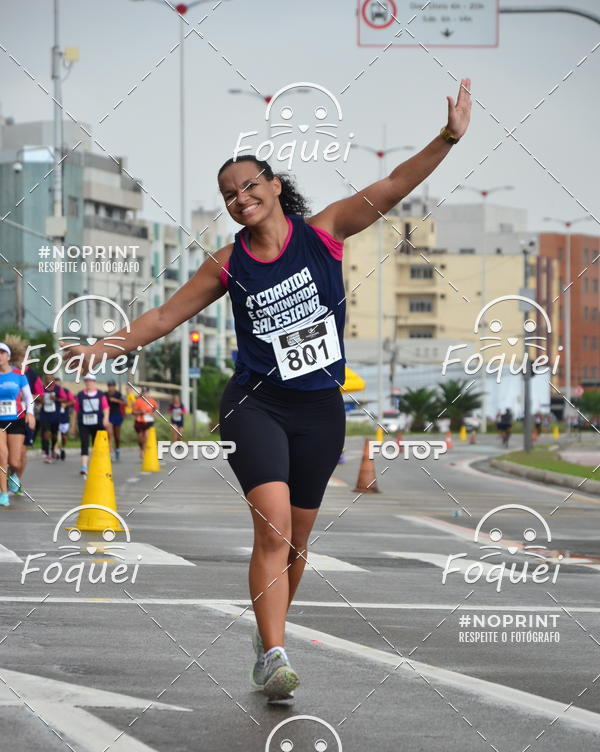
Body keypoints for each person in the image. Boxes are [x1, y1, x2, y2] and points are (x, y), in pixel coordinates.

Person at [62, 79, 472, 700]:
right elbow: (163, 318)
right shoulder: (227, 264)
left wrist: (446, 138)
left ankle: (267, 629)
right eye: (229, 194)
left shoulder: (326, 232)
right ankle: (274, 654)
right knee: (273, 528)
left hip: (319, 408)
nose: (240, 198)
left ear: (276, 186)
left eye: (250, 185)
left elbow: (392, 189)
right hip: (255, 403)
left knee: (299, 542)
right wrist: (103, 347)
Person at [0, 341, 35, 506]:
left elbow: (28, 397)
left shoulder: (19, 376)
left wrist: (30, 413)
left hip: (16, 420)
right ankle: (4, 494)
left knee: (14, 461)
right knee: (2, 457)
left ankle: (13, 477)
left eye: (2, 353)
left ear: (8, 356)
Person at [72, 374, 110, 475]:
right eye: (86, 381)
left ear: (94, 382)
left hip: (98, 423)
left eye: (90, 381)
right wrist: (73, 425)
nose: (88, 383)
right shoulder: (80, 395)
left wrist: (106, 418)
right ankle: (84, 467)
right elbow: (75, 411)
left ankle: (97, 464)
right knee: (84, 443)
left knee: (97, 444)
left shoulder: (100, 395)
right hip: (84, 423)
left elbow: (106, 408)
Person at [39, 375, 66, 463]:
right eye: (46, 379)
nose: (48, 381)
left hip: (55, 415)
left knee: (54, 435)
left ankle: (53, 449)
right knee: (46, 433)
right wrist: (40, 399)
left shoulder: (58, 388)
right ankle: (47, 454)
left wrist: (56, 399)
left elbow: (64, 399)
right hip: (45, 414)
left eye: (50, 379)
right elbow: (37, 398)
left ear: (53, 380)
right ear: (44, 380)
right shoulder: (42, 388)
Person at [131, 386, 158, 457]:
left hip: (149, 421)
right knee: (140, 438)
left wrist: (154, 413)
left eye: (146, 392)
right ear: (141, 393)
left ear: (149, 393)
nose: (145, 394)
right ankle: (141, 448)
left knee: (146, 436)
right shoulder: (137, 401)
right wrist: (140, 412)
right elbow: (133, 412)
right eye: (143, 392)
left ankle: (144, 451)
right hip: (139, 421)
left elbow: (156, 409)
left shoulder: (152, 401)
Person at [55, 377, 74, 460]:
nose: (57, 386)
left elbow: (73, 401)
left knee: (64, 435)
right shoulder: (52, 392)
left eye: (58, 384)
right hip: (54, 416)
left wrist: (66, 404)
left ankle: (62, 448)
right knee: (54, 434)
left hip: (64, 416)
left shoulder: (66, 391)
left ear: (61, 384)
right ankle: (55, 451)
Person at [106, 379, 125, 461]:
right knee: (109, 435)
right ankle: (110, 451)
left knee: (117, 435)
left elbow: (125, 402)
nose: (111, 388)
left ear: (114, 386)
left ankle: (117, 449)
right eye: (109, 386)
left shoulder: (118, 394)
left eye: (112, 386)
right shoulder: (105, 394)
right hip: (108, 416)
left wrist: (116, 400)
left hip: (117, 415)